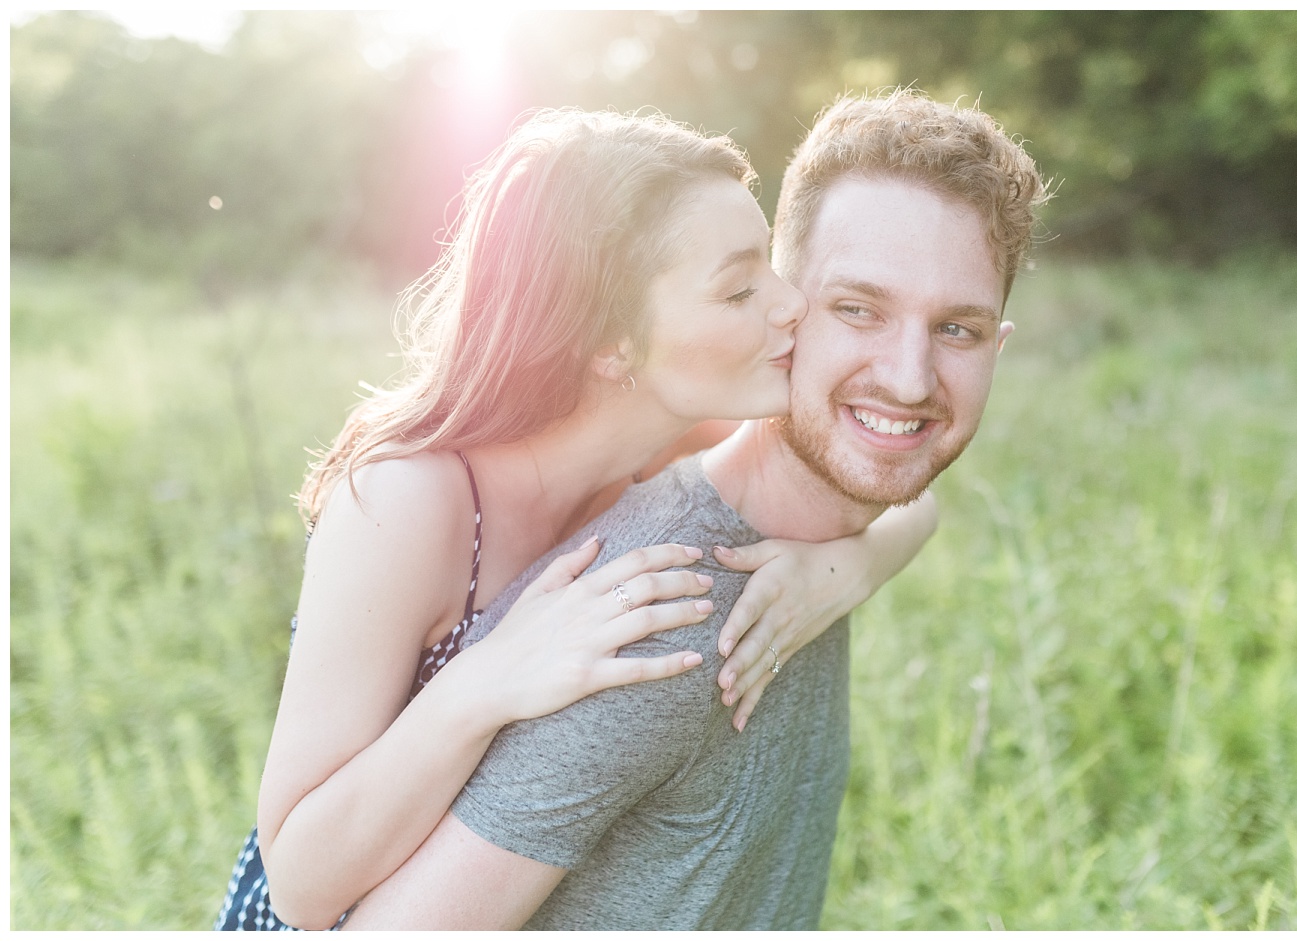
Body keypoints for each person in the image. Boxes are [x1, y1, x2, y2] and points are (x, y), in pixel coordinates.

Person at [215, 108, 941, 930]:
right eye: (740, 289)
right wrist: (486, 681)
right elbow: (302, 881)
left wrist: (838, 569)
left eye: (770, 267)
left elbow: (907, 488)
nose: (792, 306)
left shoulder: (682, 426)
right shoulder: (407, 501)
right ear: (611, 344)